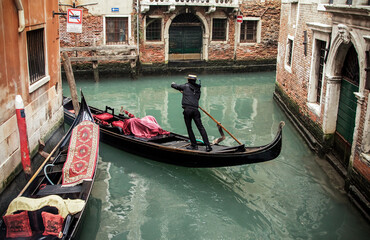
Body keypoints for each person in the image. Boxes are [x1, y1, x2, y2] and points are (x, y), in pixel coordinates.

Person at [171, 74, 212, 152]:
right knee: (201, 128)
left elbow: (174, 86)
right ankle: (208, 146)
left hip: (187, 110)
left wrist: (173, 83)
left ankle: (194, 145)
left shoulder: (185, 86)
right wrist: (185, 93)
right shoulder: (198, 89)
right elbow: (196, 98)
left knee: (189, 128)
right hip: (196, 110)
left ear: (188, 80)